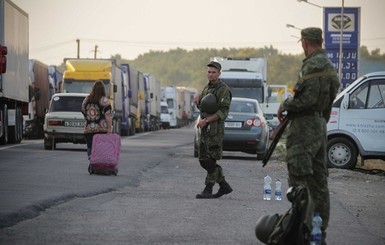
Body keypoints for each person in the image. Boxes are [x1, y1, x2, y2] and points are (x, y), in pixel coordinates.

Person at [277, 27, 340, 244]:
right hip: (320, 127)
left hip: (303, 129)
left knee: (300, 181)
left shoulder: (312, 66)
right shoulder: (331, 68)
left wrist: (285, 104)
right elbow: (328, 100)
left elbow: (305, 99)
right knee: (319, 184)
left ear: (304, 42)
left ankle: (301, 232)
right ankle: (318, 233)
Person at [194, 61, 233, 199]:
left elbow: (223, 112)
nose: (210, 75)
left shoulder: (223, 89)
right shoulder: (206, 88)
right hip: (204, 129)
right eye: (209, 72)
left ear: (219, 73)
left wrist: (207, 120)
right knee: (203, 160)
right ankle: (223, 185)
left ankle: (208, 188)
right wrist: (197, 101)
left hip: (215, 129)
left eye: (213, 72)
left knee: (211, 159)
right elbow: (204, 108)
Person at [81, 80, 113, 160]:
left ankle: (92, 162)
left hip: (89, 129)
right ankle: (99, 163)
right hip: (101, 130)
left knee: (90, 147)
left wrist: (89, 119)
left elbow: (83, 111)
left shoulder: (87, 99)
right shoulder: (104, 101)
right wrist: (109, 128)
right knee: (100, 149)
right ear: (103, 89)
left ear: (93, 88)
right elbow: (107, 115)